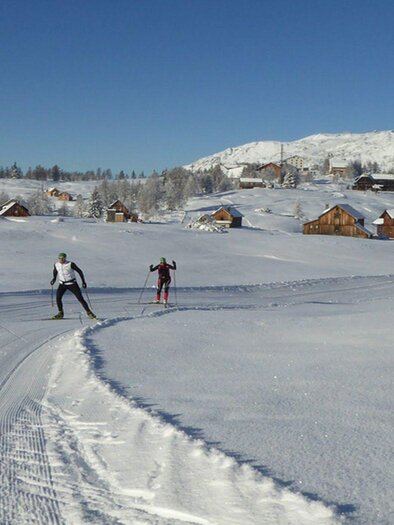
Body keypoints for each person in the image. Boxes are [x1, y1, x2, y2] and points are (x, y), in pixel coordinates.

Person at [50, 253, 96, 319]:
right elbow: (55, 271)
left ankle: (89, 313)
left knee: (80, 298)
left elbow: (80, 271)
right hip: (62, 284)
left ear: (65, 258)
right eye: (60, 258)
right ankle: (60, 313)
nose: (61, 260)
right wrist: (54, 279)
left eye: (63, 258)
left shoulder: (70, 264)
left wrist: (83, 282)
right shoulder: (56, 264)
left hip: (72, 284)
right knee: (58, 298)